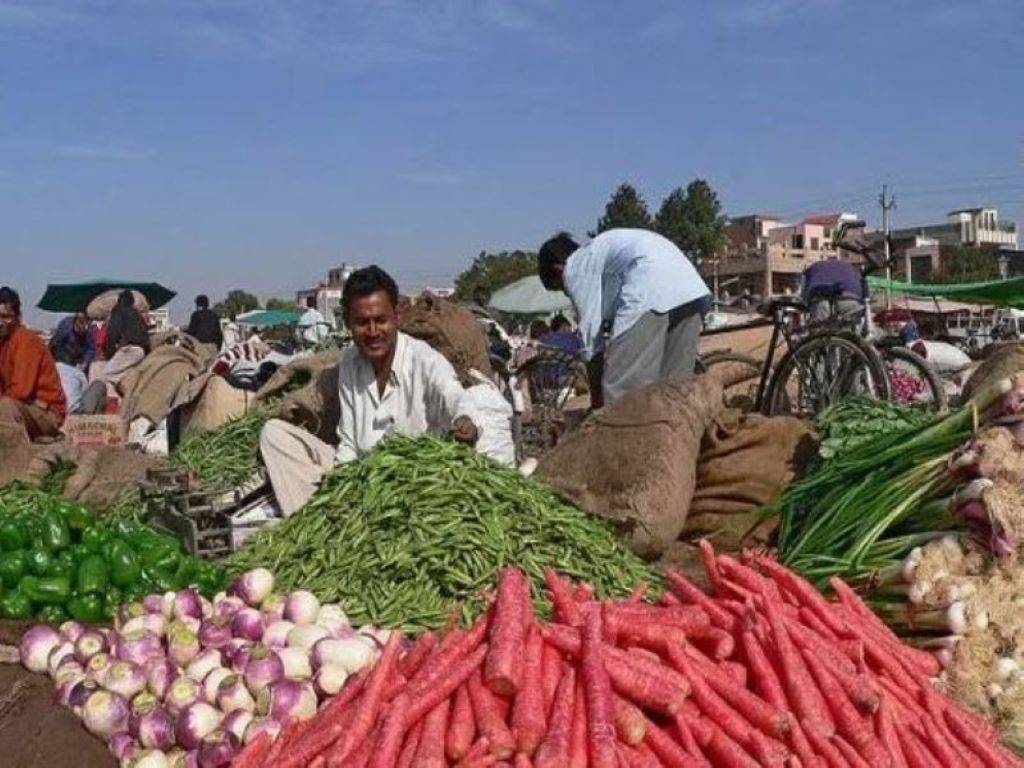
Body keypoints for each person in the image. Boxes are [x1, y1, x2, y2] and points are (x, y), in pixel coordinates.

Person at [260, 266, 483, 516]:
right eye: (363, 323)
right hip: (362, 479)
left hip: (417, 483)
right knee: (274, 433)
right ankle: (314, 521)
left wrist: (466, 421)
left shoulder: (425, 361)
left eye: (381, 320)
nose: (373, 332)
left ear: (397, 316)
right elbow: (349, 442)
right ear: (348, 324)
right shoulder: (350, 364)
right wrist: (341, 484)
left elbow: (455, 397)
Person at [537, 229, 711, 407]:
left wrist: (597, 405)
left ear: (558, 269)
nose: (567, 293)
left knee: (621, 393)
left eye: (561, 289)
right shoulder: (598, 254)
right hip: (689, 287)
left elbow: (591, 342)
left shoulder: (575, 267)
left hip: (650, 288)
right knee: (674, 392)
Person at [0, 287, 66, 438]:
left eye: (6, 317)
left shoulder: (26, 340)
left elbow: (21, 391)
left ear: (18, 317)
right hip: (22, 407)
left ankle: (15, 457)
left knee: (5, 407)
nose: (1, 322)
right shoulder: (4, 343)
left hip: (46, 412)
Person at [99, 290, 150, 385]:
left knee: (104, 375)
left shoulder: (118, 311)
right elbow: (145, 335)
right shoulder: (136, 314)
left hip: (129, 350)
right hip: (141, 352)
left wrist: (109, 354)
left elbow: (113, 333)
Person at [53, 346, 107, 415]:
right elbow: (85, 392)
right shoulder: (76, 372)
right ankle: (96, 421)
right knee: (99, 384)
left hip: (54, 412)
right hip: (75, 412)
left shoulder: (49, 371)